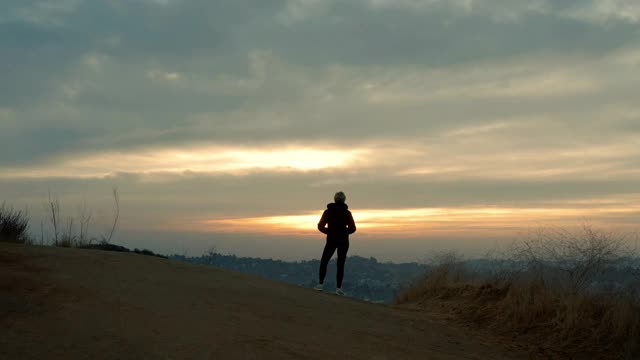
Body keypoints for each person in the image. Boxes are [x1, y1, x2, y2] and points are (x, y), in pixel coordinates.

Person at [315, 191, 356, 296]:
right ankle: (338, 289)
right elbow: (353, 228)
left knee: (324, 261)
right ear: (344, 200)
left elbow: (320, 226)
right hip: (343, 241)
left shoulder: (328, 212)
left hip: (331, 240)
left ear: (334, 199)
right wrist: (343, 232)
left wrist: (329, 232)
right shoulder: (347, 213)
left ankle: (320, 285)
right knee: (340, 264)